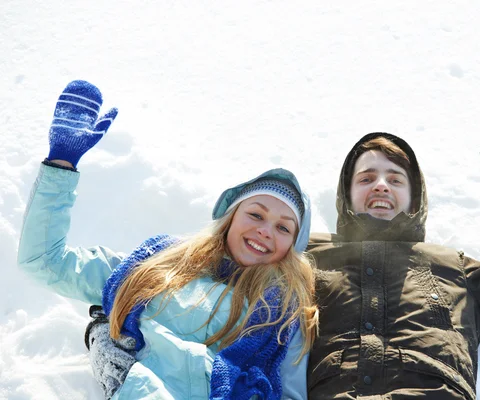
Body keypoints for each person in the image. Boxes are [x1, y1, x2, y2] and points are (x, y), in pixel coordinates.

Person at [86, 110, 480, 398]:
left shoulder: (457, 269)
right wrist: (127, 302)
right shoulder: (300, 258)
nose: (380, 186)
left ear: (415, 198)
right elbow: (212, 268)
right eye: (365, 177)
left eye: (396, 179)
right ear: (345, 195)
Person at [17, 80, 318, 400]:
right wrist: (61, 166)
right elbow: (43, 262)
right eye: (256, 215)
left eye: (283, 228)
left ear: (293, 248)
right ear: (231, 216)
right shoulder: (157, 264)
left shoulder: (280, 317)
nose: (266, 231)